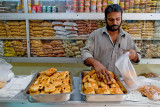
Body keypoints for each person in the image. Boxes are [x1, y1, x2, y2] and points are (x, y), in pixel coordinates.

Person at [81, 4, 141, 84]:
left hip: (120, 82)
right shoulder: (95, 35)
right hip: (98, 79)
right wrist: (95, 63)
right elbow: (85, 52)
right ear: (105, 19)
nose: (115, 23)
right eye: (111, 19)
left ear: (121, 18)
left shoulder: (127, 37)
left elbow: (138, 57)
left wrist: (134, 55)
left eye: (118, 19)